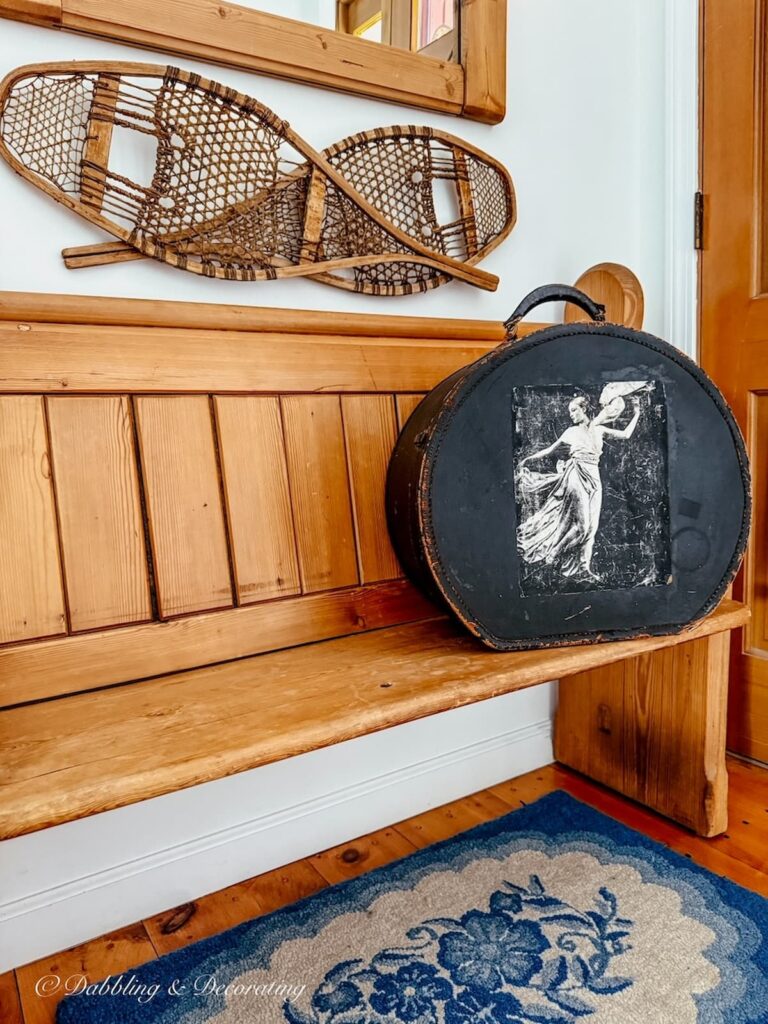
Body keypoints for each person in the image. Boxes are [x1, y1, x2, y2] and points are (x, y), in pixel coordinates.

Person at [517, 393, 641, 581]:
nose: (571, 414)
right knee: (582, 527)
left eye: (574, 410)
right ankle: (553, 553)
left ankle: (584, 567)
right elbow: (549, 450)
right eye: (570, 411)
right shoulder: (570, 432)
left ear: (584, 409)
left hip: (594, 478)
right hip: (575, 474)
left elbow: (626, 434)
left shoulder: (599, 429)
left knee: (591, 529)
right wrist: (527, 459)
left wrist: (637, 412)